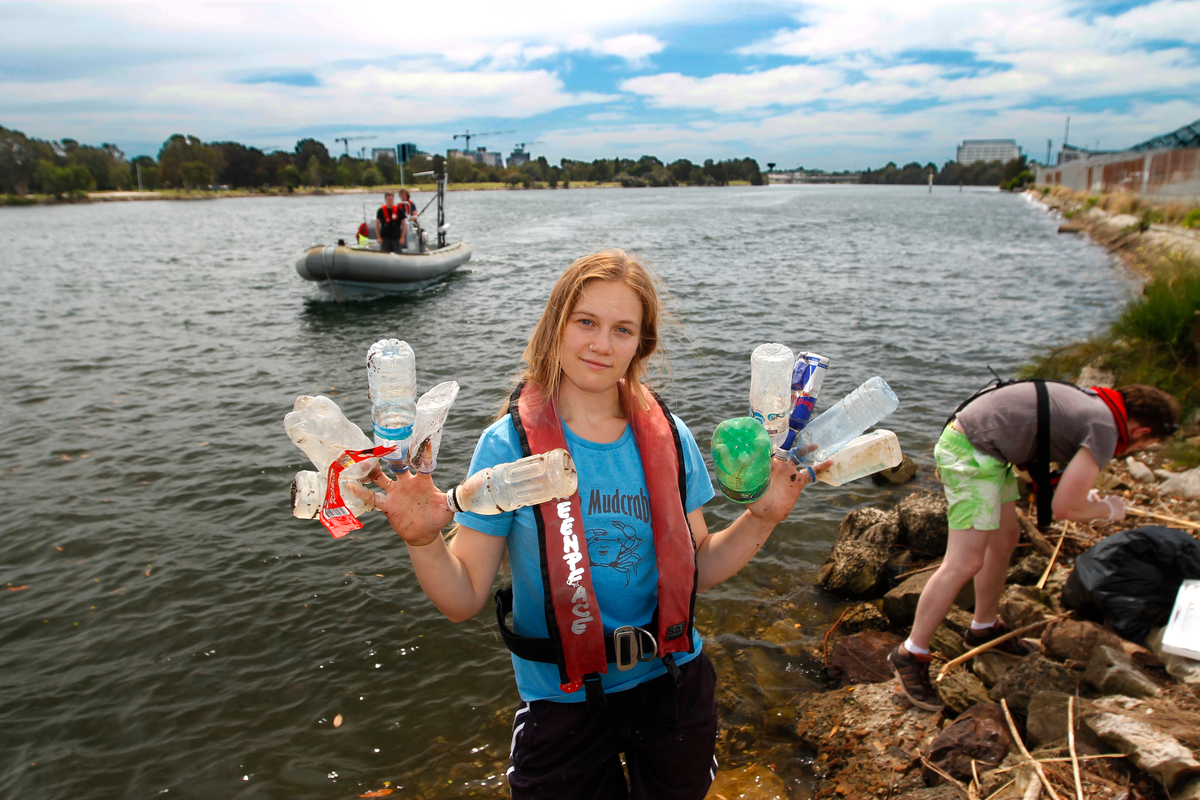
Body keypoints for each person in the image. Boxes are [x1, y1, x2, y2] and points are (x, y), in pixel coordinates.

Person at [355, 249, 823, 799]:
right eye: (586, 322)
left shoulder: (670, 437)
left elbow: (700, 566)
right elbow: (462, 598)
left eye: (622, 329)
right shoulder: (506, 446)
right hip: (562, 699)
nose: (602, 344)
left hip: (673, 683)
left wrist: (761, 517)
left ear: (640, 344)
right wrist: (424, 539)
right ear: (555, 327)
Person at [889, 381, 1180, 712]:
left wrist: (1087, 498)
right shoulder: (1105, 428)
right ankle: (911, 652)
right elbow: (1064, 509)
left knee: (1005, 539)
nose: (1131, 452)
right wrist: (1108, 510)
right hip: (971, 451)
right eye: (1143, 445)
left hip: (989, 449)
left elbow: (1068, 486)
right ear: (1141, 430)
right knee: (964, 562)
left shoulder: (1101, 405)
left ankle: (982, 628)